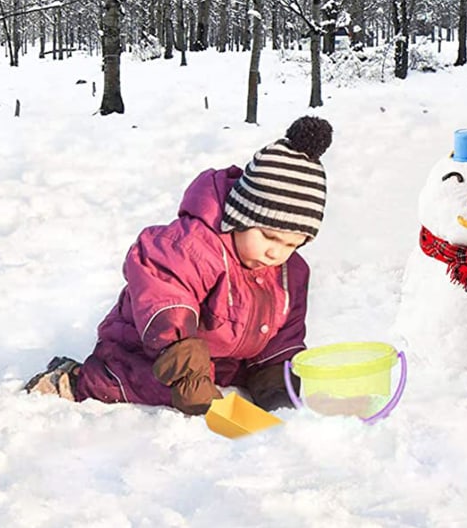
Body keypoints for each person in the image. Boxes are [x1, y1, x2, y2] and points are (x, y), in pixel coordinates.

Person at [25, 116, 333, 415]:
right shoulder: (194, 246)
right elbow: (165, 291)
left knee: (231, 387)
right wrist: (186, 366)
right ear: (241, 215)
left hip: (219, 359)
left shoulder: (290, 273)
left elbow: (283, 336)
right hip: (151, 349)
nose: (275, 253)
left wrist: (276, 384)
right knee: (158, 387)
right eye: (268, 236)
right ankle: (79, 379)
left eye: (293, 244)